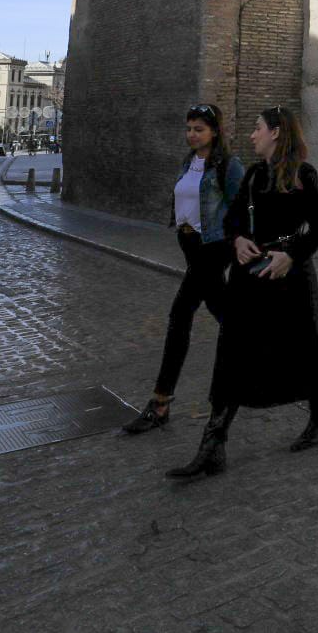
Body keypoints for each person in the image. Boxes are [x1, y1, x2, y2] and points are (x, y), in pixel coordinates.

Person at [170, 105, 318, 479]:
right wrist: (238, 240)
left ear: (276, 133)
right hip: (250, 277)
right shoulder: (253, 175)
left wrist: (292, 255)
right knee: (233, 354)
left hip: (289, 278)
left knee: (304, 349)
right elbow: (231, 221)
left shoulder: (302, 176)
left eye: (258, 128)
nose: (252, 135)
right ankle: (213, 444)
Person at [122, 104, 245, 434]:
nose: (192, 135)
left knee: (180, 316)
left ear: (215, 131)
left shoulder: (228, 166)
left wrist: (239, 244)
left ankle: (160, 402)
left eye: (199, 129)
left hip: (213, 248)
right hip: (191, 246)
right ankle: (268, 362)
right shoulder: (187, 162)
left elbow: (241, 207)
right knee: (228, 316)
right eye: (189, 128)